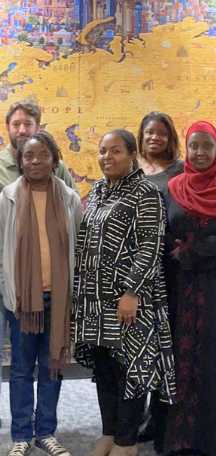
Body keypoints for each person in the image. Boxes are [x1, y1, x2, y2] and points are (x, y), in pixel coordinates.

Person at [0, 99, 79, 453]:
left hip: (56, 299)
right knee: (19, 370)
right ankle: (20, 436)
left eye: (42, 155)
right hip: (22, 301)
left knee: (52, 367)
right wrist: (8, 289)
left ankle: (45, 431)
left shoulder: (69, 198)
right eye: (29, 157)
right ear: (20, 161)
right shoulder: (7, 198)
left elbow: (78, 246)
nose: (35, 161)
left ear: (53, 160)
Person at [72, 130, 176, 456]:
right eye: (103, 151)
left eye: (115, 151)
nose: (107, 157)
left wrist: (132, 291)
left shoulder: (146, 192)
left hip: (129, 300)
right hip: (96, 300)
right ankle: (109, 433)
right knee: (104, 367)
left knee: (130, 368)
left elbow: (151, 244)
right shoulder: (100, 190)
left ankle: (126, 442)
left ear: (132, 154)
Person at [163, 121, 216, 456]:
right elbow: (164, 229)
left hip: (213, 286)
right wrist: (176, 248)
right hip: (180, 289)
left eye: (207, 146)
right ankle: (181, 440)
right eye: (194, 146)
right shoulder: (173, 187)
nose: (199, 153)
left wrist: (192, 250)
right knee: (181, 359)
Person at [136, 112, 182, 451]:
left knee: (165, 345)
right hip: (133, 271)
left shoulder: (180, 171)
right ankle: (133, 416)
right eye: (149, 132)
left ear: (170, 138)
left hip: (169, 269)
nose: (155, 138)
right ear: (141, 135)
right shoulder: (129, 165)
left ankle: (159, 416)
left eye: (161, 133)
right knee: (137, 344)